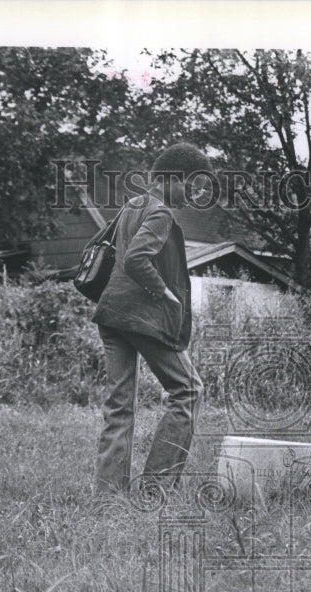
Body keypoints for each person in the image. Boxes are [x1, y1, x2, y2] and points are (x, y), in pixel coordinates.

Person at [92, 143, 209, 496]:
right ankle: (155, 491)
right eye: (193, 186)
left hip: (111, 313)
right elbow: (135, 259)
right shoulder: (160, 213)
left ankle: (108, 500)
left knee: (119, 407)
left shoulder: (134, 204)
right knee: (188, 390)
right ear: (171, 179)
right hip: (141, 317)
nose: (196, 195)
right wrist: (164, 292)